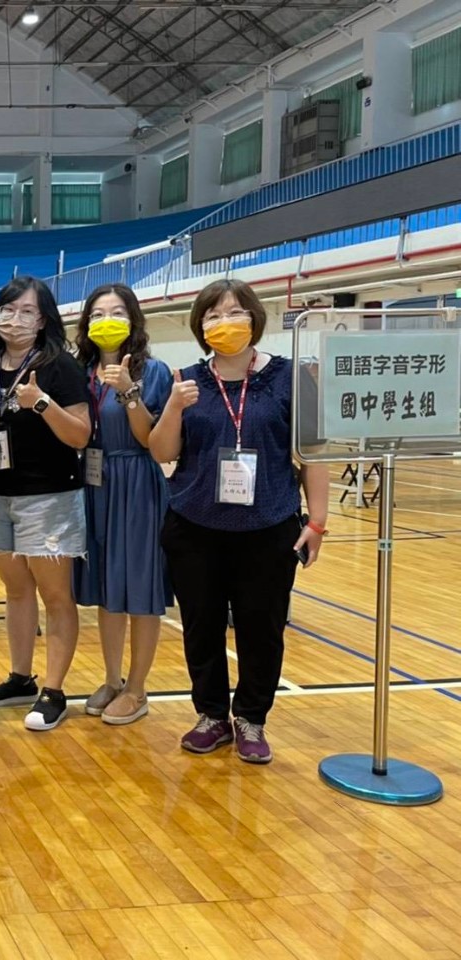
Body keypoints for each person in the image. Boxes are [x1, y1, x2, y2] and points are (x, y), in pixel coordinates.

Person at [150, 278, 329, 764]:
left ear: (254, 318)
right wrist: (173, 405)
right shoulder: (185, 379)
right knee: (201, 628)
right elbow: (162, 452)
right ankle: (211, 716)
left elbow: (314, 453)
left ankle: (251, 718)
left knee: (261, 630)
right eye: (212, 315)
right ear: (199, 325)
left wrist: (317, 521)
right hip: (194, 526)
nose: (224, 322)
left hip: (268, 527)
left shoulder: (291, 377)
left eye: (234, 312)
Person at [0, 277, 91, 732]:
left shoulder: (60, 367)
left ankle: (54, 691)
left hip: (48, 496)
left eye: (27, 312)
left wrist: (42, 403)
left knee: (55, 595)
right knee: (15, 590)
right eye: (8, 310)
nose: (15, 319)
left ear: (44, 319)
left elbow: (80, 435)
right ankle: (20, 678)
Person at [71, 284, 173, 725]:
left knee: (140, 588)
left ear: (133, 320)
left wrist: (129, 391)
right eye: (97, 314)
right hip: (94, 483)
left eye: (116, 312)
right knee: (107, 587)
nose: (106, 320)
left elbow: (152, 440)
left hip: (137, 482)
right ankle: (112, 679)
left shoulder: (155, 372)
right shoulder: (81, 373)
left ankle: (137, 688)